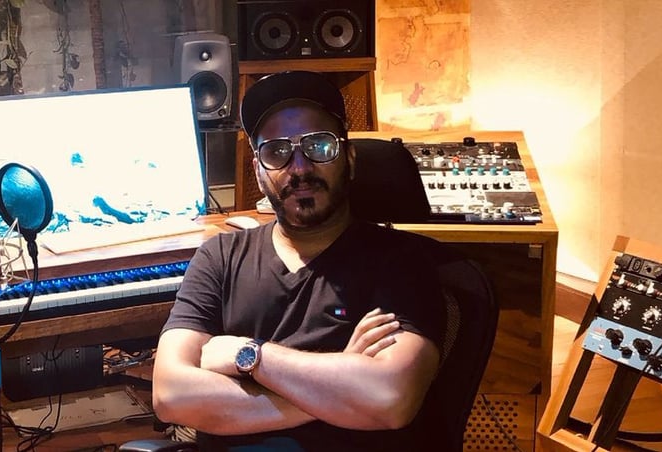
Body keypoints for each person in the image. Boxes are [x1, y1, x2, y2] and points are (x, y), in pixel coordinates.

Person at [152, 71, 450, 451]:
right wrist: (341, 389)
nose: (300, 168)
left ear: (349, 159)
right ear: (259, 172)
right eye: (277, 152)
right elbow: (171, 395)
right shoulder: (219, 257)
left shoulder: (402, 262)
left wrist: (250, 357)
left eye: (319, 145)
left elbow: (390, 399)